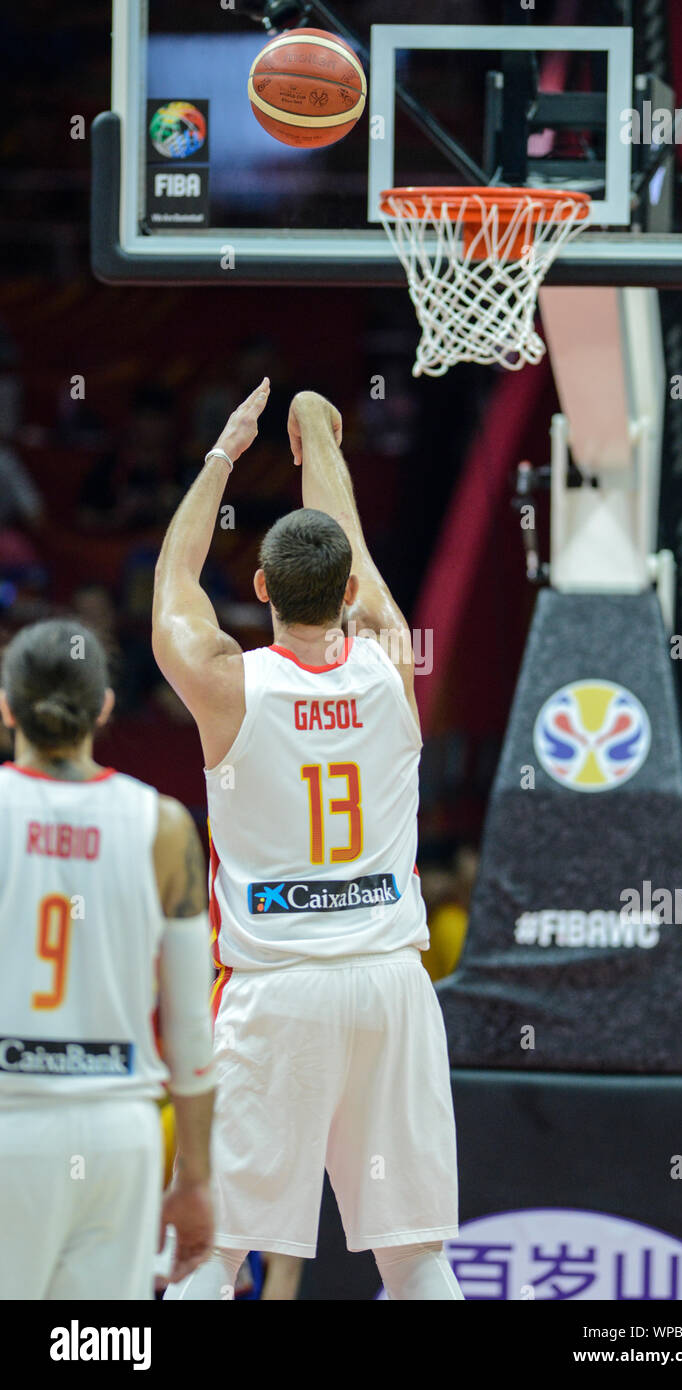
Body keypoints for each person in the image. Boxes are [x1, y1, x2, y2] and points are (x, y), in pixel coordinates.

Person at [153, 381, 463, 1301]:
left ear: (258, 590)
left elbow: (174, 589)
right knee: (415, 1258)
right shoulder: (390, 659)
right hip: (392, 987)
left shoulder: (227, 684)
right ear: (351, 596)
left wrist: (222, 455)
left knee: (217, 1253)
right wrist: (320, 431)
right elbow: (356, 563)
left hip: (280, 991)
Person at [0, 618, 215, 1299]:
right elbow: (191, 1028)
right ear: (105, 707)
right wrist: (197, 1178)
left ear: (6, 707)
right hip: (119, 1137)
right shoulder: (166, 824)